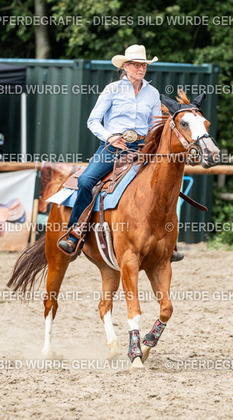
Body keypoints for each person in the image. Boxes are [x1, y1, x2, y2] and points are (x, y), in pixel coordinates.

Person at [58, 44, 183, 262]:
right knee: (86, 181)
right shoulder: (112, 90)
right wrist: (109, 137)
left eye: (143, 65)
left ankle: (167, 240)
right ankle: (75, 232)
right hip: (112, 148)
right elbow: (92, 121)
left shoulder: (152, 93)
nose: (140, 69)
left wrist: (152, 144)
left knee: (164, 184)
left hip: (142, 148)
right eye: (136, 65)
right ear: (125, 66)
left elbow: (154, 124)